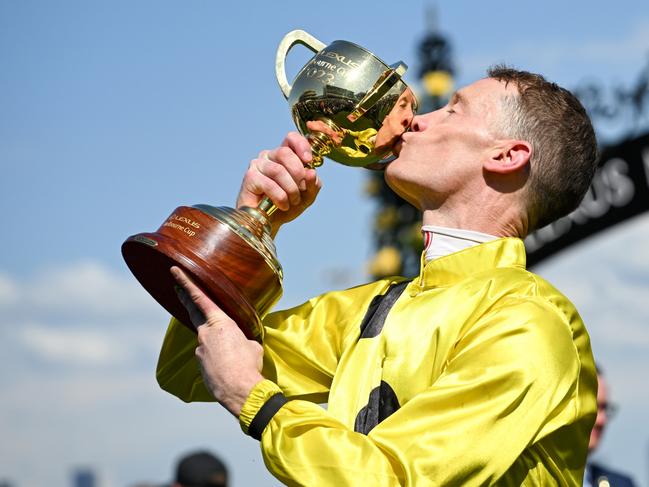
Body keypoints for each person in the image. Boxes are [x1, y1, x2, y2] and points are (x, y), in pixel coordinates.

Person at [156, 66, 599, 485]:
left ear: (506, 155)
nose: (415, 121)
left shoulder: (530, 324)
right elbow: (186, 369)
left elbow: (395, 479)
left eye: (452, 109)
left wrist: (257, 401)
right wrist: (252, 228)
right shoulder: (370, 308)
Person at [584, 369, 636, 487]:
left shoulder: (622, 484)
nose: (602, 420)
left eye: (604, 408)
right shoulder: (537, 480)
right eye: (594, 407)